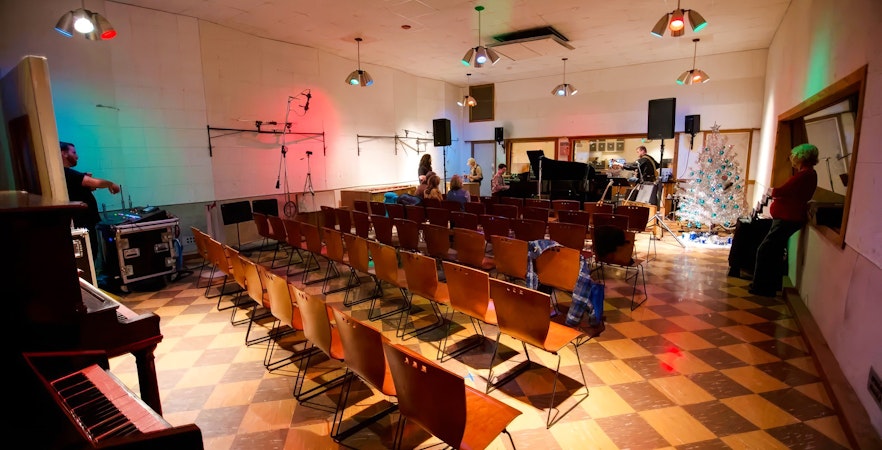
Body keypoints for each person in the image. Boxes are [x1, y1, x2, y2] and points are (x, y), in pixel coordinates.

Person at [750, 143, 819, 297]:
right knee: (773, 252)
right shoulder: (807, 174)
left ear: (801, 158)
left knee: (765, 250)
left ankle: (761, 287)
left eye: (794, 157)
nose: (792, 160)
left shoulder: (805, 175)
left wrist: (771, 191)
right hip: (787, 217)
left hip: (788, 218)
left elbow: (783, 191)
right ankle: (769, 285)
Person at [61, 141, 121, 269]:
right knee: (89, 255)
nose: (77, 156)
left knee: (92, 254)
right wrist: (111, 184)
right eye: (74, 152)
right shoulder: (66, 173)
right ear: (64, 154)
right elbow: (95, 182)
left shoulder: (67, 174)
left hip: (84, 222)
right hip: (82, 222)